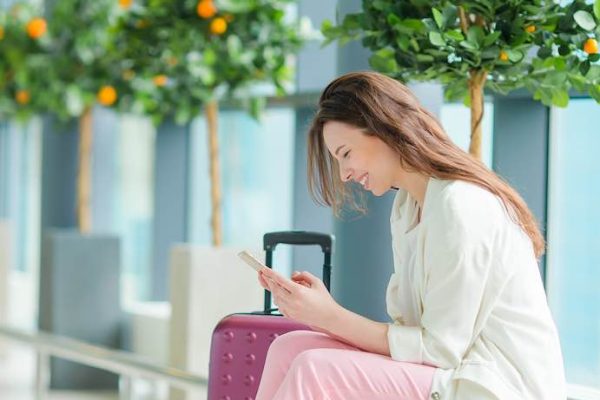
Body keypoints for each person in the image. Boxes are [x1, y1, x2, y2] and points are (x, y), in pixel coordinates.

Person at [254, 71, 566, 400]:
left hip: (496, 386)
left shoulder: (459, 205)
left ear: (384, 128)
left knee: (313, 368)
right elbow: (409, 333)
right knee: (290, 347)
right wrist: (321, 314)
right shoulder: (408, 206)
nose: (344, 173)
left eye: (345, 154)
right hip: (456, 373)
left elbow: (439, 350)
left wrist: (329, 316)